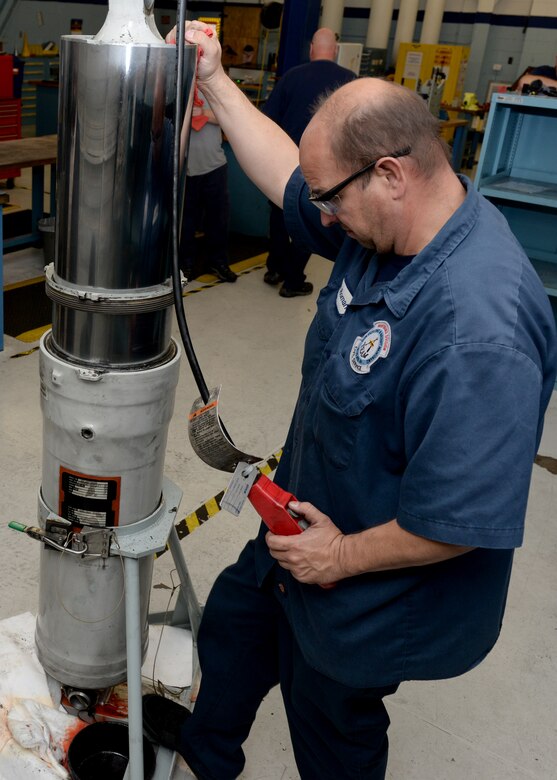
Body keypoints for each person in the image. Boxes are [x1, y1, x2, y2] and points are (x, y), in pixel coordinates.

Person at [143, 23, 557, 780]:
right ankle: (204, 761)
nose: (319, 218)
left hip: (371, 581)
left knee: (331, 720)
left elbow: (456, 523)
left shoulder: (477, 332)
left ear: (391, 174)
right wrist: (213, 79)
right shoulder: (392, 226)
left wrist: (336, 554)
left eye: (331, 201)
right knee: (234, 630)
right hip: (302, 528)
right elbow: (287, 179)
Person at [261, 27, 355, 297]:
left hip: (287, 162)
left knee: (280, 214)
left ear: (312, 48)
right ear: (335, 50)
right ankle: (292, 280)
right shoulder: (349, 82)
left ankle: (274, 268)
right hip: (327, 170)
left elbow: (269, 119)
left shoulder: (291, 77)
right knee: (311, 218)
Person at [180, 91, 237, 283]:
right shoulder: (178, 83)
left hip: (215, 165)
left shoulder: (213, 88)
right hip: (185, 168)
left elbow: (229, 118)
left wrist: (203, 112)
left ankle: (218, 262)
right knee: (185, 222)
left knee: (218, 219)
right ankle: (184, 265)